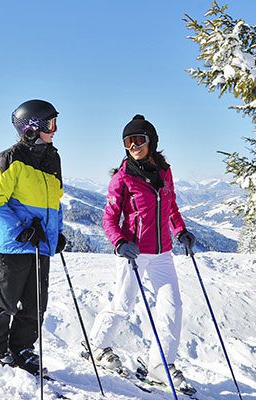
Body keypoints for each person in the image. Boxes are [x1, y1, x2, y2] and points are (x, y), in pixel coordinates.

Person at [87, 114, 196, 395]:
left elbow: (170, 206)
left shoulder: (164, 171)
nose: (133, 145)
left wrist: (180, 230)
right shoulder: (122, 178)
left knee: (173, 307)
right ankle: (97, 345)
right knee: (123, 303)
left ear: (152, 141)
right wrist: (121, 243)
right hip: (133, 252)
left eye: (139, 139)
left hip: (163, 253)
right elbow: (109, 219)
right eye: (128, 141)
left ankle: (161, 364)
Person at [0, 99, 66, 376]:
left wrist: (56, 235)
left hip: (40, 244)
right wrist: (20, 230)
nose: (55, 130)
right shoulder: (11, 157)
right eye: (50, 124)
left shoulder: (53, 158)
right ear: (32, 127)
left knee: (36, 301)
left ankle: (22, 347)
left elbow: (55, 202)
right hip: (15, 244)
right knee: (6, 296)